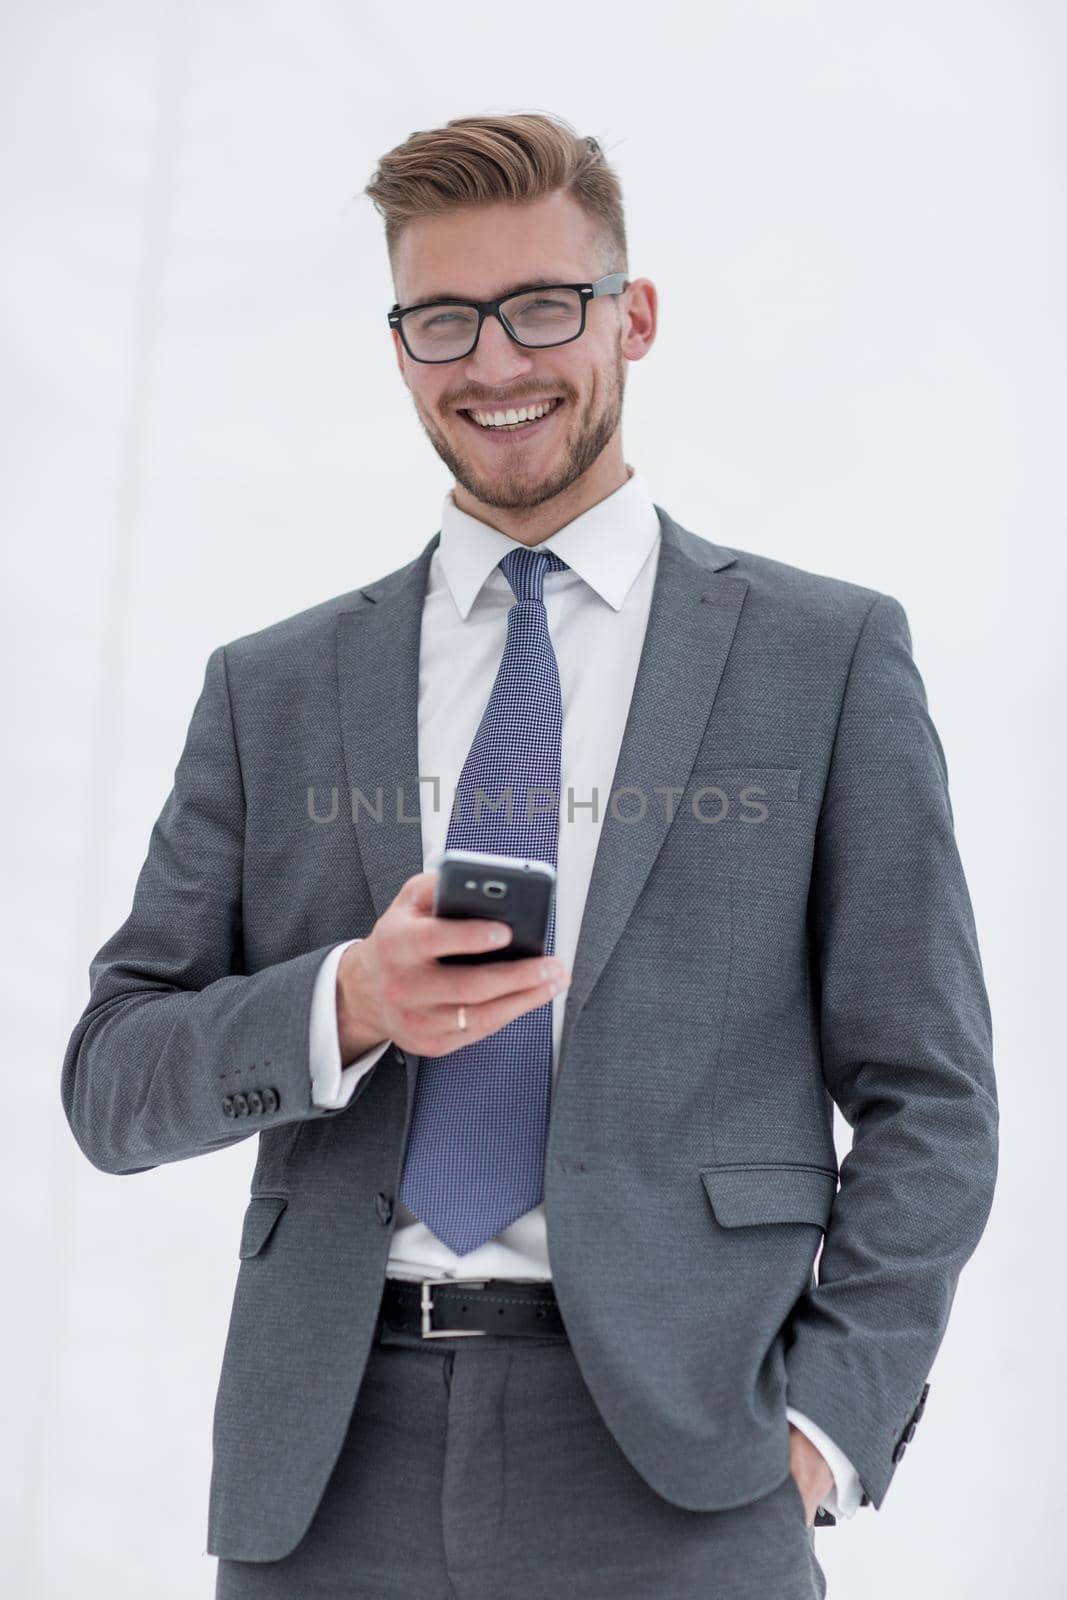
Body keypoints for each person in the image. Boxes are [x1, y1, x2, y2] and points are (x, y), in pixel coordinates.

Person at [61, 112, 998, 1600]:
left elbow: (930, 1092)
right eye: (445, 320)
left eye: (542, 308)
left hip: (684, 1463)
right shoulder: (275, 686)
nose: (495, 364)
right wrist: (350, 1003)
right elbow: (111, 1084)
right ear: (400, 346)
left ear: (631, 316)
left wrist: (829, 1418)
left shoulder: (826, 658)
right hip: (324, 1465)